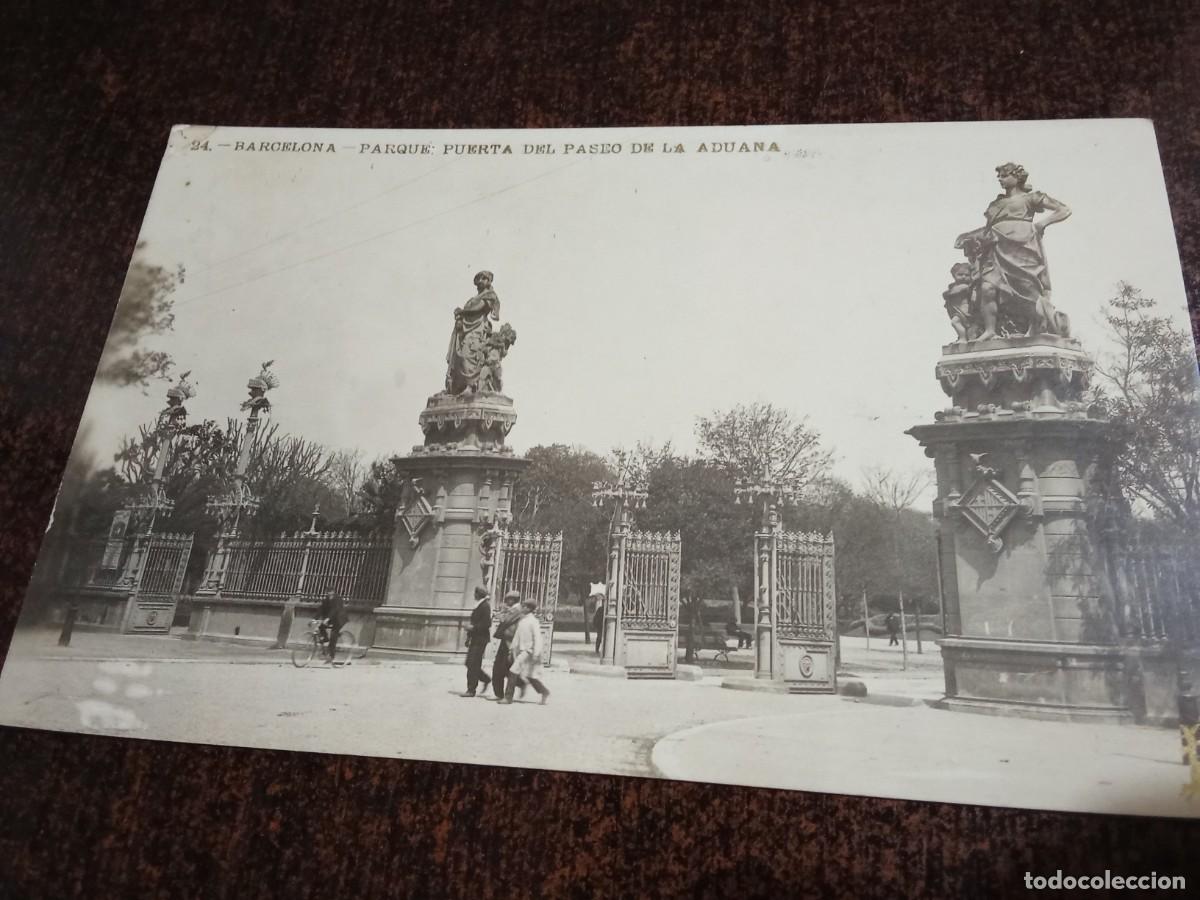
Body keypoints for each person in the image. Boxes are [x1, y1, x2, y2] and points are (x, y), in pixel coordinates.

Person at [954, 162, 1071, 340]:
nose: (1000, 179)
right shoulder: (996, 204)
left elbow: (1064, 210)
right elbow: (989, 230)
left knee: (1028, 290)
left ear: (1017, 177)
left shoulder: (1031, 198)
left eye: (1004, 175)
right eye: (999, 176)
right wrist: (968, 236)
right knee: (987, 288)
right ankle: (990, 330)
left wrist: (1041, 224)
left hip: (1022, 249)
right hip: (997, 250)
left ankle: (1038, 326)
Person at [445, 270, 501, 395]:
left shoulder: (490, 295)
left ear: (489, 281)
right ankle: (460, 387)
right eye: (479, 278)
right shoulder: (473, 298)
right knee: (461, 357)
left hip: (478, 328)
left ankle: (471, 386)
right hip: (466, 329)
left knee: (469, 355)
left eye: (484, 278)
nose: (481, 281)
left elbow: (479, 308)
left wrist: (462, 312)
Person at [501, 598, 550, 705]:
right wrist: (511, 650)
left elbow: (537, 638)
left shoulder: (533, 621)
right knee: (529, 675)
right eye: (523, 606)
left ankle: (508, 697)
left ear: (529, 609)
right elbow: (517, 637)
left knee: (513, 670)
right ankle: (544, 691)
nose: (522, 608)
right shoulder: (523, 620)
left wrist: (536, 653)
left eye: (525, 606)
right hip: (521, 650)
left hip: (529, 651)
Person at [491, 590, 524, 700]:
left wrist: (498, 614)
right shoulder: (512, 609)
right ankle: (501, 693)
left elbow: (505, 620)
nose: (506, 601)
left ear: (513, 599)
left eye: (508, 599)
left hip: (510, 642)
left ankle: (517, 685)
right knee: (501, 667)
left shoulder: (517, 609)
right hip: (506, 640)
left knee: (502, 667)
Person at [461, 586, 492, 697]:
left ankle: (471, 690)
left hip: (480, 639)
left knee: (472, 663)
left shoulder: (484, 606)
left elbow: (487, 624)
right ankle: (485, 679)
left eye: (476, 593)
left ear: (479, 594)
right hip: (476, 638)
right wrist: (469, 637)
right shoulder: (479, 605)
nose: (474, 595)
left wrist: (472, 628)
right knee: (470, 663)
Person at [316, 589, 348, 664]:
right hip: (331, 618)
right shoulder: (326, 599)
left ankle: (331, 656)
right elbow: (321, 609)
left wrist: (327, 619)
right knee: (321, 626)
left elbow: (335, 610)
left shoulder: (338, 599)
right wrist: (314, 619)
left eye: (330, 591)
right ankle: (325, 639)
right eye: (327, 592)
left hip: (339, 619)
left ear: (333, 592)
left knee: (333, 636)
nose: (328, 593)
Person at [589, 583, 606, 655]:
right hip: (601, 626)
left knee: (602, 638)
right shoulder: (601, 609)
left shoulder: (602, 609)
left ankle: (602, 650)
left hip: (604, 625)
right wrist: (596, 624)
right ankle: (597, 649)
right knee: (599, 638)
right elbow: (596, 618)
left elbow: (596, 618)